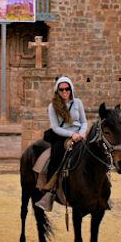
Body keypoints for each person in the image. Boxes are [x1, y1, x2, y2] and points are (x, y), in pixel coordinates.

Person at [35, 76, 87, 212]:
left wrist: (81, 133)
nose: (65, 91)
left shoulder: (78, 103)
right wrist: (72, 135)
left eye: (67, 89)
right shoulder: (53, 106)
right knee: (56, 157)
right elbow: (56, 128)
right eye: (61, 89)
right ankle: (50, 192)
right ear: (57, 90)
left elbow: (84, 121)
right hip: (62, 136)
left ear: (71, 89)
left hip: (79, 135)